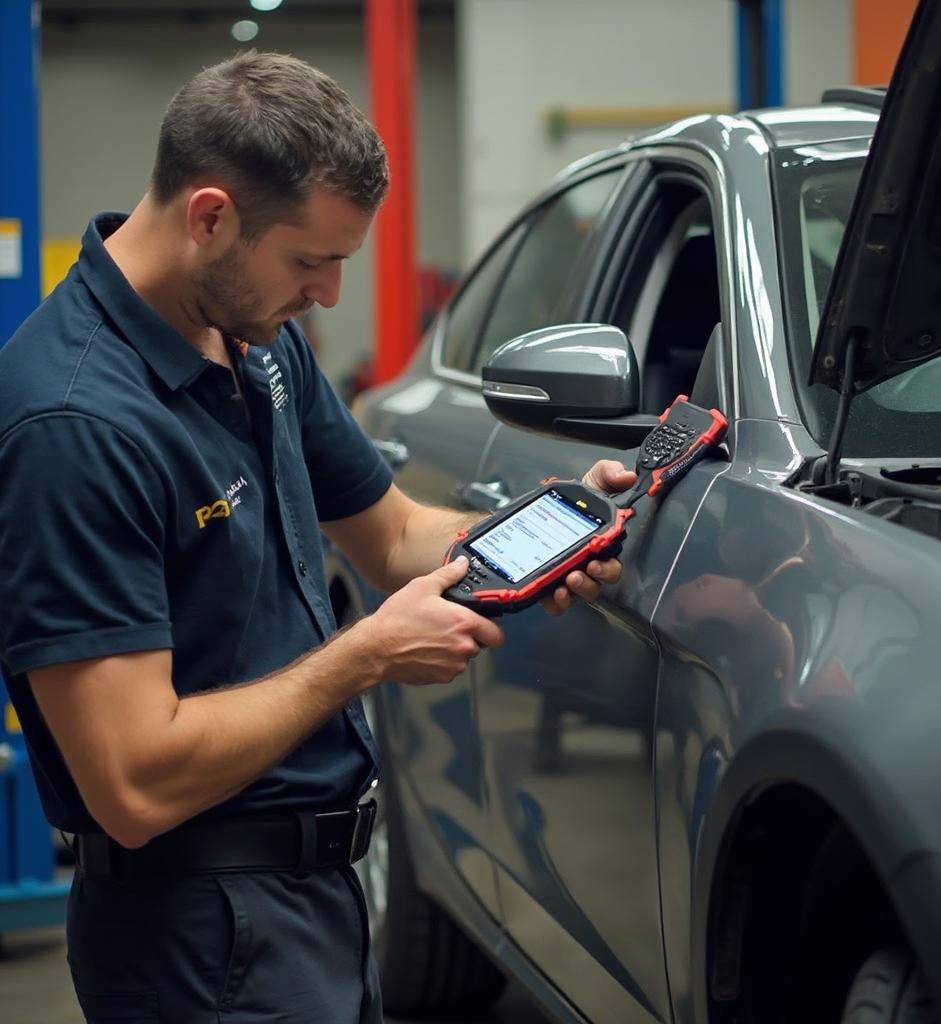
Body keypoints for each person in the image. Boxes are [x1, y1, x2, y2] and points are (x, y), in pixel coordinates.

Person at [0, 51, 637, 1024]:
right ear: (209, 216)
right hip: (197, 937)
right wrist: (365, 657)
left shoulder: (254, 337)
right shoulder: (76, 427)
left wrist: (535, 529)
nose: (332, 295)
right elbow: (131, 779)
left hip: (317, 900)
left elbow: (391, 535)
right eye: (310, 261)